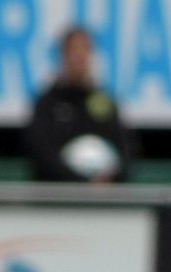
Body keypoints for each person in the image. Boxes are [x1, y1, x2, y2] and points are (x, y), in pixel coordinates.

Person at [25, 26, 132, 183]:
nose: (78, 56)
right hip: (58, 197)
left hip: (102, 199)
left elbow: (126, 150)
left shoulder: (105, 101)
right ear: (62, 54)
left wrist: (109, 179)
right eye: (73, 50)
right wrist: (80, 181)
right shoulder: (47, 104)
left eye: (84, 49)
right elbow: (41, 153)